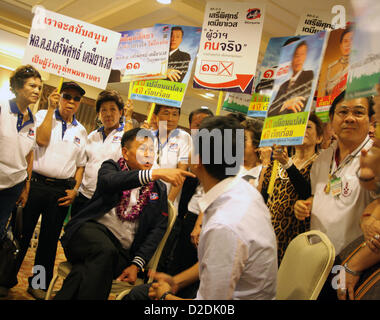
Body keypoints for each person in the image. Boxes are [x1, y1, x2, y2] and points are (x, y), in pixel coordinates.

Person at [53, 128, 195, 300]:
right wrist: (153, 173)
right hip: (87, 235)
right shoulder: (111, 167)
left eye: (152, 150)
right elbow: (109, 182)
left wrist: (136, 264)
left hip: (121, 252)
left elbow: (157, 230)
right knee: (104, 252)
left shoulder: (157, 190)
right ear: (125, 153)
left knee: (86, 270)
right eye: (143, 149)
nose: (149, 155)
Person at [148, 116, 278, 300]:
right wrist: (177, 281)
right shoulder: (244, 192)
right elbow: (216, 261)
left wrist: (164, 297)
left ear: (198, 160)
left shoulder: (224, 225)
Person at [5, 81, 88, 300]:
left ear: (80, 103)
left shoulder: (81, 130)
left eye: (76, 98)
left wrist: (75, 189)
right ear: (59, 97)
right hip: (35, 185)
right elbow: (40, 141)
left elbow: (81, 165)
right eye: (67, 96)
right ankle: (5, 279)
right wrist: (51, 110)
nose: (71, 101)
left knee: (48, 244)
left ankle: (38, 283)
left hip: (61, 191)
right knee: (20, 235)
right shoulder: (41, 115)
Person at [294, 91, 376, 257]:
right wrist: (307, 204)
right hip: (316, 257)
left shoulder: (375, 158)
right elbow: (322, 194)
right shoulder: (323, 158)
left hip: (350, 262)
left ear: (371, 120)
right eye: (343, 112)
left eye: (358, 112)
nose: (350, 118)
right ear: (331, 120)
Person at [0, 65, 42, 298]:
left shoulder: (33, 120)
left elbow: (29, 154)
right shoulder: (2, 108)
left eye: (39, 87)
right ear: (16, 87)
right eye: (31, 86)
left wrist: (25, 184)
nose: (37, 90)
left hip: (14, 184)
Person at [259, 113, 323, 265]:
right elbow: (264, 195)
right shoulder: (278, 163)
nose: (302, 130)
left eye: (308, 127)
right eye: (299, 126)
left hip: (295, 237)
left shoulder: (320, 164)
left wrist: (287, 163)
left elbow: (308, 193)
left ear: (319, 138)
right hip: (269, 235)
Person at [70, 90, 134, 217]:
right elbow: (82, 166)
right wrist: (75, 190)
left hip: (106, 201)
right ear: (99, 114)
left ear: (121, 112)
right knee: (73, 233)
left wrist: (129, 118)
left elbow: (131, 151)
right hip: (83, 196)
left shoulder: (124, 135)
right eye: (103, 110)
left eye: (113, 109)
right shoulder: (92, 136)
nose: (108, 114)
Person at [152, 104, 191, 208]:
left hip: (166, 200)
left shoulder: (184, 138)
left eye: (175, 114)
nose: (170, 119)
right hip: (143, 198)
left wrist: (168, 202)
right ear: (155, 116)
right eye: (166, 113)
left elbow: (181, 173)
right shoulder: (148, 136)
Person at [267, 40, 314, 117]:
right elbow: (270, 113)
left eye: (302, 54)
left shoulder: (308, 75)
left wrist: (280, 108)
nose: (299, 59)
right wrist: (285, 105)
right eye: (296, 55)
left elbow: (298, 108)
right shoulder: (283, 85)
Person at [324, 26, 353, 97]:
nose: (348, 44)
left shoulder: (362, 66)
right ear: (340, 45)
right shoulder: (330, 67)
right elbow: (326, 94)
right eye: (345, 41)